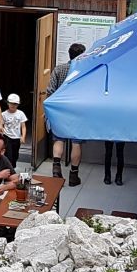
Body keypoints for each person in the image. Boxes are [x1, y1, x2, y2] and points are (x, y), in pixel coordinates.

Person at [45, 43, 86, 185]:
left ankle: (56, 169)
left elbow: (50, 90)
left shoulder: (59, 69)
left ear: (69, 54)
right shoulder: (85, 72)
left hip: (59, 110)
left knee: (59, 139)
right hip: (77, 111)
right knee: (76, 143)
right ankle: (74, 176)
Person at [0, 93, 28, 165]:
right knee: (8, 154)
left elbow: (23, 126)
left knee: (15, 155)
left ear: (18, 104)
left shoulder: (21, 114)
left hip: (17, 137)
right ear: (8, 103)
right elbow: (1, 125)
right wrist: (0, 135)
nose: (13, 105)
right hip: (7, 136)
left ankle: (12, 166)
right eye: (11, 103)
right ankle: (8, 168)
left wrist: (23, 136)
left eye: (15, 104)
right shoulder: (3, 114)